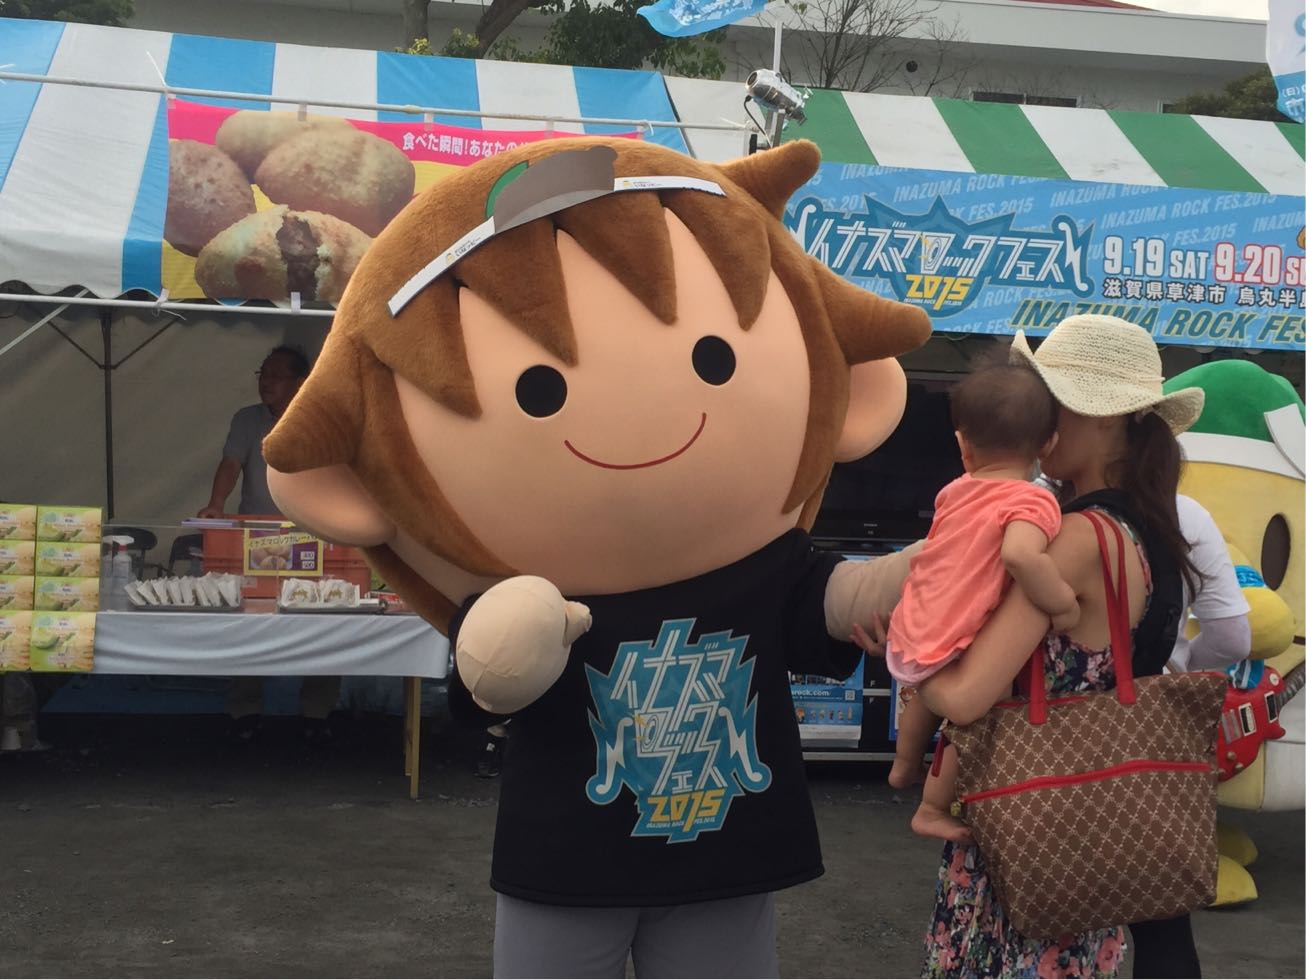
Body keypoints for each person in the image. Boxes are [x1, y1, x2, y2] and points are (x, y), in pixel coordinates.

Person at [859, 314, 1207, 978]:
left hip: (1018, 834)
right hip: (1079, 839)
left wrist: (909, 656)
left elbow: (967, 697)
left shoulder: (1074, 541)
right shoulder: (1148, 534)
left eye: (1053, 404)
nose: (1037, 423)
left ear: (1104, 420)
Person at [885, 362, 1078, 844]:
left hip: (915, 622)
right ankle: (932, 806)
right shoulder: (1033, 501)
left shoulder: (953, 492)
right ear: (1048, 445)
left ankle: (904, 764)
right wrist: (1062, 605)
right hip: (957, 629)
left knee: (923, 690)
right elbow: (1019, 555)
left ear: (962, 445)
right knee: (975, 713)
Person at [197, 345, 340, 739]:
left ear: (300, 382)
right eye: (263, 373)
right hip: (256, 536)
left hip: (310, 535)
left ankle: (317, 713)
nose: (266, 382)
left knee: (322, 621)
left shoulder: (321, 420)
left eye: (276, 375)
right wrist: (216, 504)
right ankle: (245, 711)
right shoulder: (248, 419)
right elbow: (231, 464)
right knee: (250, 622)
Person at [1171, 493, 1250, 672]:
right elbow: (1232, 640)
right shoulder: (1184, 513)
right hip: (1156, 682)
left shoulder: (1100, 518)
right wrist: (1180, 659)